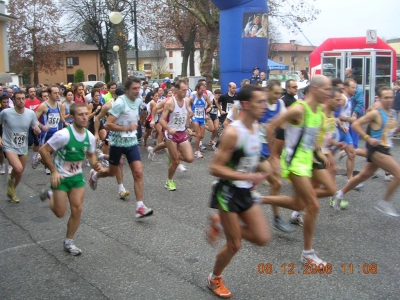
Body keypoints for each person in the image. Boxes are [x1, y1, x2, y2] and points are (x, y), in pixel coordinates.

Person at [206, 85, 271, 298]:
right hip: (228, 192)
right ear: (245, 104)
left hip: (245, 192)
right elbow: (215, 168)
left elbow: (251, 158)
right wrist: (247, 177)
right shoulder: (233, 132)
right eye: (260, 102)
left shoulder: (257, 128)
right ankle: (214, 278)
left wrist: (264, 173)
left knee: (262, 238)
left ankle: (220, 224)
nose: (264, 105)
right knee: (234, 244)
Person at [263, 75, 332, 266]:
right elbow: (271, 125)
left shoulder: (318, 111)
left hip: (306, 161)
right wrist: (273, 156)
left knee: (298, 204)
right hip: (293, 163)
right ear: (316, 89)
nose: (329, 93)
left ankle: (256, 198)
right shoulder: (299, 109)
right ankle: (307, 253)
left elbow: (310, 137)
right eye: (327, 89)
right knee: (313, 205)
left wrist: (319, 152)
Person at [39, 103, 103, 255]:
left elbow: (91, 155)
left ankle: (69, 241)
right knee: (60, 213)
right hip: (60, 178)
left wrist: (96, 164)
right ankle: (50, 194)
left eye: (86, 114)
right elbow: (44, 150)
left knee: (77, 209)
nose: (84, 117)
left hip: (76, 178)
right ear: (73, 117)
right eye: (80, 114)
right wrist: (53, 171)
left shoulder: (89, 137)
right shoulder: (63, 135)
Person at [89, 77, 153, 218]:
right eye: (134, 89)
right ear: (127, 90)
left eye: (139, 88)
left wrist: (135, 125)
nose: (137, 91)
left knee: (138, 173)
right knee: (112, 172)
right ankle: (96, 174)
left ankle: (140, 207)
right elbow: (108, 125)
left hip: (131, 143)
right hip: (117, 143)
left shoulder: (138, 101)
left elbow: (136, 114)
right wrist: (126, 127)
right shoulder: (119, 103)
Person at [331, 86, 400, 216]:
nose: (389, 100)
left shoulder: (393, 113)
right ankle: (384, 203)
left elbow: (391, 131)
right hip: (377, 150)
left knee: (363, 176)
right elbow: (356, 124)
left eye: (391, 97)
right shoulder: (376, 113)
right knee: (398, 174)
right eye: (386, 97)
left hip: (385, 148)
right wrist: (368, 138)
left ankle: (339, 195)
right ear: (379, 98)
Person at [256, 80, 293, 232]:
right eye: (276, 93)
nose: (278, 96)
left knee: (276, 184)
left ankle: (276, 218)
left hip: (267, 149)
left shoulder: (280, 105)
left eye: (280, 93)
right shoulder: (259, 103)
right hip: (254, 149)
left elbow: (284, 125)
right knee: (244, 184)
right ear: (267, 91)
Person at [0, 90, 41, 203]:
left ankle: (11, 190)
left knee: (20, 171)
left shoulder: (30, 113)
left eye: (23, 98)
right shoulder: (6, 113)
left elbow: (35, 126)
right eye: (18, 98)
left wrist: (37, 130)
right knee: (17, 168)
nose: (21, 101)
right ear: (13, 100)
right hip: (9, 145)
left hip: (23, 146)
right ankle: (10, 183)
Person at [158, 80, 194, 191]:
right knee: (176, 161)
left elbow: (187, 112)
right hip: (171, 134)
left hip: (182, 132)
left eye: (186, 90)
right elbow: (161, 120)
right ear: (177, 90)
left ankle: (174, 155)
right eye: (183, 90)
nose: (185, 92)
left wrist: (188, 124)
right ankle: (169, 181)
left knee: (190, 158)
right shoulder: (170, 103)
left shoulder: (186, 101)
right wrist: (169, 128)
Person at [33, 85, 67, 175]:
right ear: (49, 94)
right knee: (46, 152)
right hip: (45, 133)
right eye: (55, 93)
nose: (57, 95)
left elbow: (60, 116)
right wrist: (42, 126)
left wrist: (65, 122)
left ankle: (50, 166)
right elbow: (34, 119)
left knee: (56, 151)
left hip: (56, 133)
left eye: (58, 93)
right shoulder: (43, 106)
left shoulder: (59, 105)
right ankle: (40, 159)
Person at [189, 82, 213, 158]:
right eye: (201, 90)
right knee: (199, 135)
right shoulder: (192, 97)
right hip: (194, 118)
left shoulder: (205, 96)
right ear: (197, 89)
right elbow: (186, 106)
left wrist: (210, 107)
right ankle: (197, 151)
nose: (203, 92)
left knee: (201, 136)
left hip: (202, 118)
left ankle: (190, 134)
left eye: (204, 90)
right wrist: (189, 114)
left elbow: (211, 104)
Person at [25, 85, 42, 165]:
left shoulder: (39, 101)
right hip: (27, 125)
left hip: (36, 124)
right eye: (31, 92)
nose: (33, 93)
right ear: (27, 93)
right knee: (29, 142)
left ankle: (34, 157)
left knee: (37, 142)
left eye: (34, 91)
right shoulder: (25, 101)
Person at [0, 95, 10, 174]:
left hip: (9, 134)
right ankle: (2, 165)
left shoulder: (11, 110)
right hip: (1, 133)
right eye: (4, 102)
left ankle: (10, 165)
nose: (6, 104)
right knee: (1, 153)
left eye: (7, 102)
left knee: (10, 152)